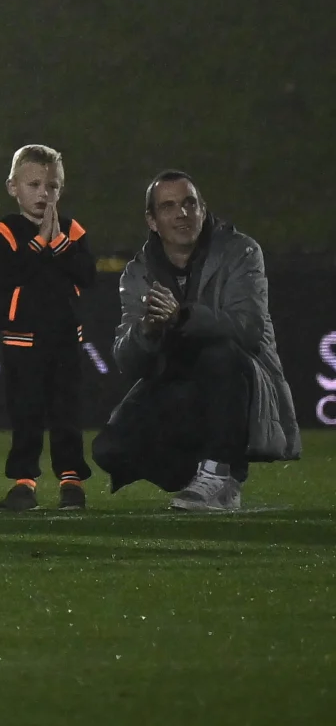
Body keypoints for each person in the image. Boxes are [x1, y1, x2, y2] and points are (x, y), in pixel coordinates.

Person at [100, 173, 299, 512]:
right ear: (152, 221)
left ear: (203, 210)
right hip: (181, 383)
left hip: (242, 380)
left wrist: (183, 317)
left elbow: (248, 331)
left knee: (218, 355)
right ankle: (202, 472)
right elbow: (127, 361)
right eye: (168, 206)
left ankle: (221, 475)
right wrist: (147, 331)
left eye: (189, 203)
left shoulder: (240, 251)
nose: (181, 214)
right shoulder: (138, 272)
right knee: (109, 450)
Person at [0, 145, 92, 511]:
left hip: (65, 340)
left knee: (67, 413)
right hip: (22, 340)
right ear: (13, 187)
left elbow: (87, 274)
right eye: (34, 185)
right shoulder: (6, 231)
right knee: (26, 413)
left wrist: (59, 241)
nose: (43, 195)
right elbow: (8, 275)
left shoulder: (73, 231)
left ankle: (71, 481)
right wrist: (39, 243)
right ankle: (24, 482)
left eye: (52, 187)